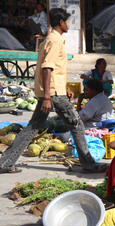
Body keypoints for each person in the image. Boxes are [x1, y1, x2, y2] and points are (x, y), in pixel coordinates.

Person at [0, 8, 107, 174]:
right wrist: (48, 97)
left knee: (32, 128)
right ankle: (89, 164)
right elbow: (47, 68)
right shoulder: (55, 41)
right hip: (53, 94)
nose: (68, 25)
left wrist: (65, 88)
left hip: (53, 92)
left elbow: (55, 69)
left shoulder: (51, 39)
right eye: (67, 22)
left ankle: (5, 162)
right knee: (77, 124)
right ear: (61, 22)